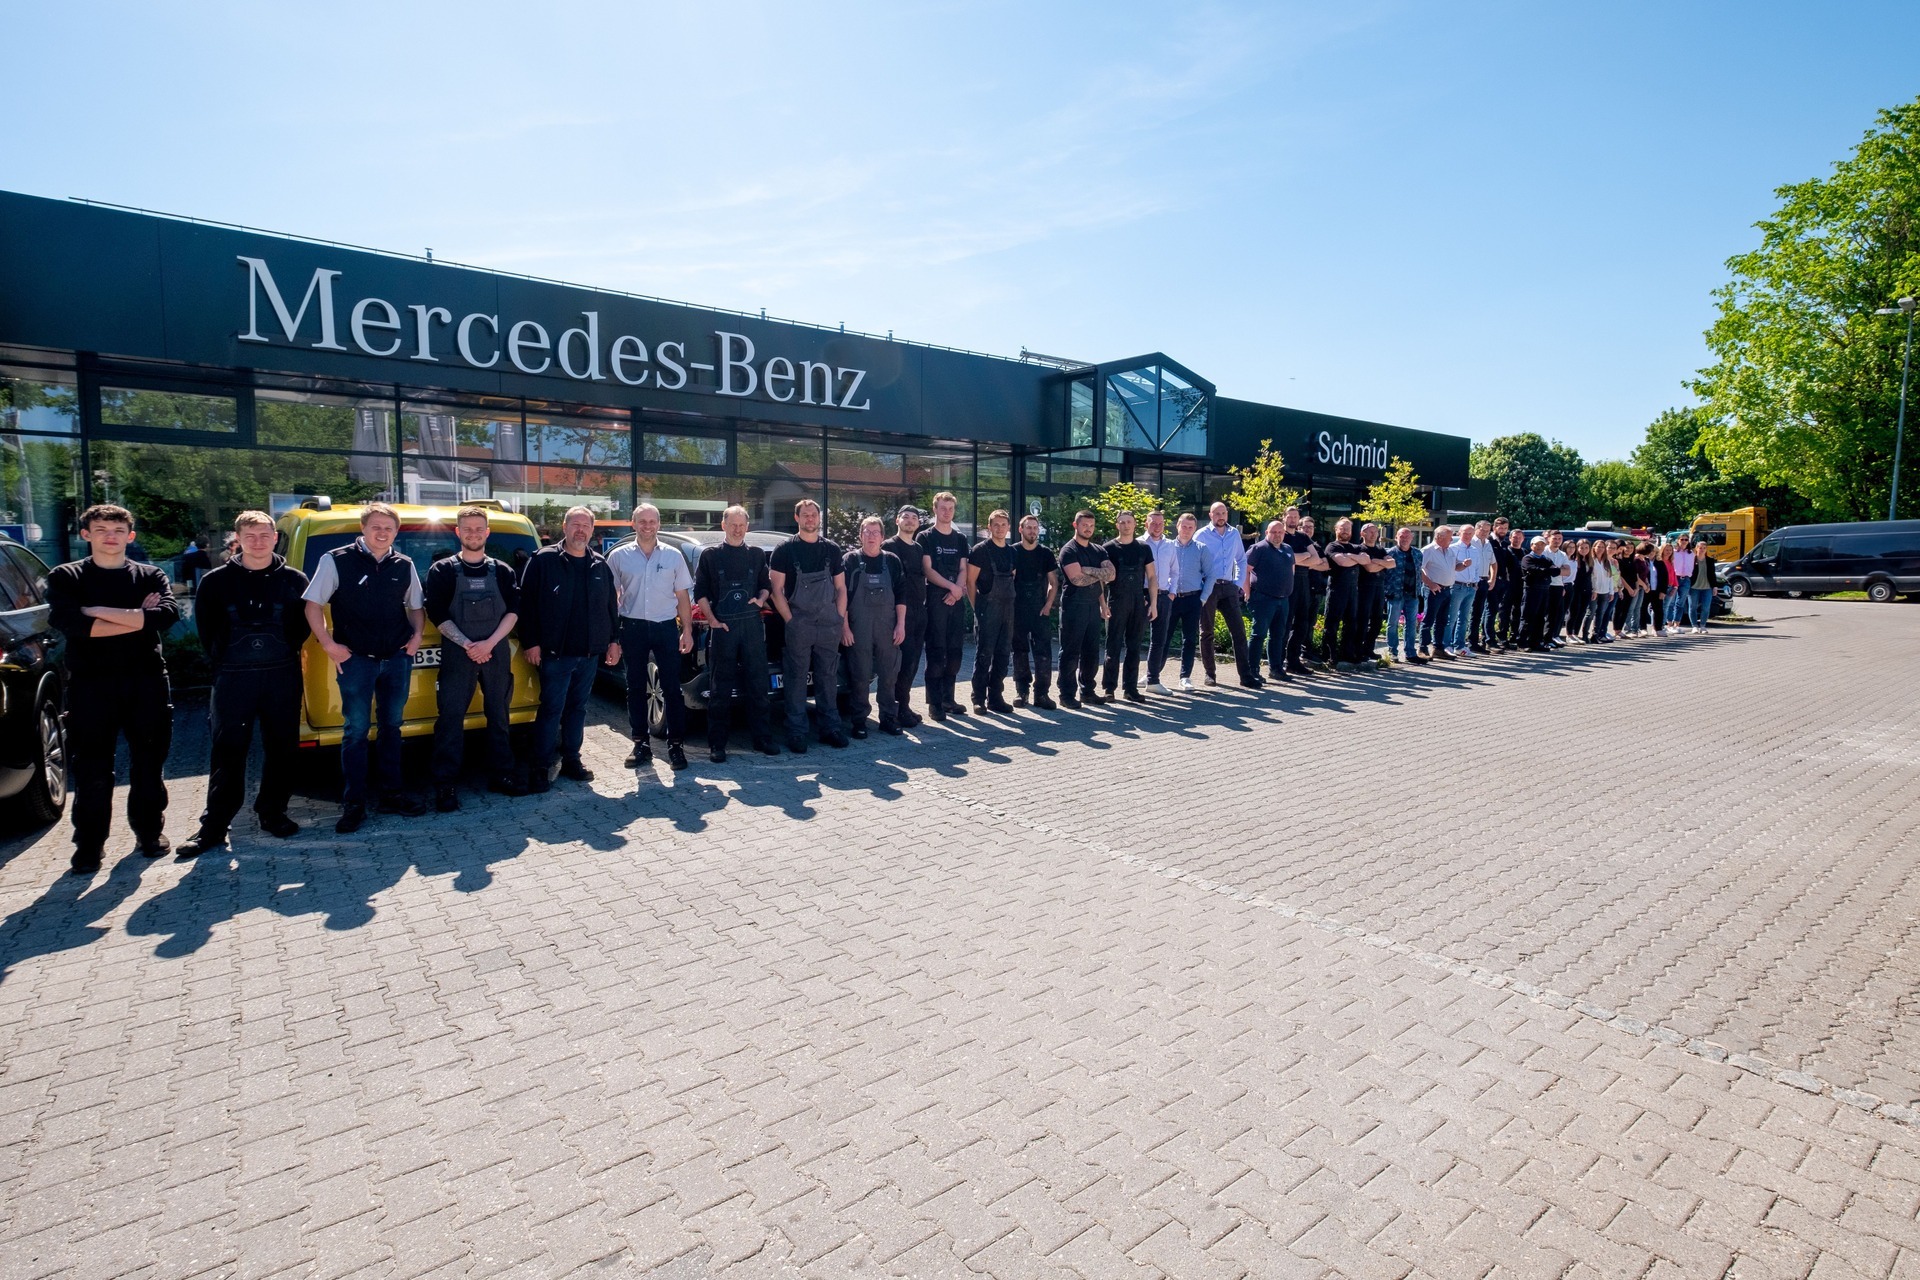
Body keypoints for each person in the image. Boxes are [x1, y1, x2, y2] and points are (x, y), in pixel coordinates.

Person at [47, 504, 181, 873]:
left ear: (130, 536)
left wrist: (94, 611)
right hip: (92, 686)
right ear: (85, 534)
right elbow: (70, 624)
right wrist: (137, 619)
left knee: (149, 764)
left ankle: (149, 833)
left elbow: (165, 616)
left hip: (146, 682)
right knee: (92, 768)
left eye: (119, 530)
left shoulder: (150, 576)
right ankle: (89, 846)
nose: (111, 536)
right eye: (102, 528)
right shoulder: (66, 577)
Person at [179, 511, 312, 857]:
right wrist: (227, 660)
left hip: (281, 673)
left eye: (264, 535)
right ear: (237, 538)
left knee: (282, 748)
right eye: (250, 535)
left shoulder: (296, 580)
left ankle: (272, 813)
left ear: (274, 537)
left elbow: (303, 627)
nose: (258, 541)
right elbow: (206, 631)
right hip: (233, 678)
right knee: (228, 751)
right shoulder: (215, 582)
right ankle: (214, 826)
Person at [303, 501, 427, 831]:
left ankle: (391, 795)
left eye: (388, 528)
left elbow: (416, 605)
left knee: (392, 728)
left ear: (396, 532)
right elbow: (312, 605)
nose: (382, 532)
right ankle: (354, 804)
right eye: (376, 526)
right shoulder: (336, 560)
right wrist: (329, 645)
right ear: (364, 528)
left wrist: (416, 637)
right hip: (356, 660)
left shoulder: (404, 564)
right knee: (355, 732)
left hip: (396, 659)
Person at [424, 505, 525, 813]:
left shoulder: (503, 571)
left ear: (487, 533)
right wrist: (469, 644)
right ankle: (445, 784)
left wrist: (490, 644)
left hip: (495, 652)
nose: (473, 534)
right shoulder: (442, 571)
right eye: (467, 529)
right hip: (459, 654)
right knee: (450, 720)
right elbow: (437, 614)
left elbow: (513, 611)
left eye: (479, 529)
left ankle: (501, 775)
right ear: (458, 532)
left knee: (499, 715)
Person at [517, 505, 620, 790]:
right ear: (564, 527)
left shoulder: (600, 564)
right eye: (575, 524)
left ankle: (572, 759)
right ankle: (541, 765)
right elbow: (526, 605)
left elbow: (610, 607)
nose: (580, 530)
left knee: (578, 709)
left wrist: (613, 641)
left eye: (586, 525)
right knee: (551, 709)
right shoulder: (543, 560)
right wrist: (531, 642)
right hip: (554, 653)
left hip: (588, 654)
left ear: (592, 529)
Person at [607, 503, 695, 772]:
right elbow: (611, 598)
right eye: (642, 521)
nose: (647, 526)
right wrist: (613, 637)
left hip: (665, 627)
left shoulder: (673, 556)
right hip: (631, 628)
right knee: (634, 688)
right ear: (633, 523)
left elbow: (682, 596)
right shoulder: (619, 557)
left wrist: (687, 631)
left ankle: (676, 746)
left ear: (659, 524)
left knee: (672, 689)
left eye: (652, 521)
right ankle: (640, 744)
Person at [695, 505, 779, 762]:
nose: (738, 529)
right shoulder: (710, 556)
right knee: (720, 688)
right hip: (724, 629)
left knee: (758, 685)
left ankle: (762, 738)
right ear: (723, 526)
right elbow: (701, 594)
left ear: (747, 527)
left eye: (742, 525)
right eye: (733, 524)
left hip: (752, 627)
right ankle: (717, 744)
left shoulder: (755, 555)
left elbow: (766, 587)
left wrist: (761, 598)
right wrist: (712, 621)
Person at [769, 499, 848, 750]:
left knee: (827, 676)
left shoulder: (832, 549)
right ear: (797, 518)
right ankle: (796, 731)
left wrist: (838, 617)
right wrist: (790, 621)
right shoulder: (784, 550)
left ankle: (830, 728)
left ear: (819, 518)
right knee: (795, 678)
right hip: (799, 624)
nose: (810, 519)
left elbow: (841, 588)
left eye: (814, 515)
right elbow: (776, 591)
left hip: (828, 624)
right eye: (805, 515)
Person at [843, 516, 907, 737]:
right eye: (867, 532)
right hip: (858, 626)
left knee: (889, 674)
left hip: (887, 627)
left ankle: (888, 718)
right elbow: (840, 597)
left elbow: (901, 595)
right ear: (860, 535)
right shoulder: (849, 560)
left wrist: (901, 625)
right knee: (860, 675)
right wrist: (845, 628)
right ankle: (859, 720)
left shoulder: (892, 561)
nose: (871, 536)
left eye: (875, 532)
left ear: (882, 536)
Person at [916, 492, 971, 721]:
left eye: (950, 508)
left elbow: (963, 569)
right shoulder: (926, 537)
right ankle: (935, 703)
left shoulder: (960, 539)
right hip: (936, 599)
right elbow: (927, 570)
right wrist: (953, 588)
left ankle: (949, 699)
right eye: (942, 508)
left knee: (955, 654)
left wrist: (957, 590)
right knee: (937, 653)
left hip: (955, 601)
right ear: (935, 509)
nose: (946, 512)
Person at [1195, 501, 1261, 688]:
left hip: (1229, 588)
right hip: (1209, 588)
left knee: (1239, 632)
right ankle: (1210, 674)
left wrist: (1238, 583)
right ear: (1210, 515)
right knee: (1206, 632)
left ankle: (1245, 676)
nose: (1220, 517)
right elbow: (1195, 561)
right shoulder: (1202, 535)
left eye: (1223, 513)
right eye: (1217, 513)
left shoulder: (1233, 534)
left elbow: (1241, 559)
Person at [1055, 509, 1112, 708]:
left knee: (1092, 653)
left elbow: (1111, 575)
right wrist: (1099, 574)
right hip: (1074, 607)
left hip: (1093, 607)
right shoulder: (1069, 550)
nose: (1088, 529)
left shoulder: (1098, 550)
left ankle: (1087, 691)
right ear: (1076, 525)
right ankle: (1066, 694)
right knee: (1071, 652)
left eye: (1091, 526)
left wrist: (1103, 604)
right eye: (1084, 525)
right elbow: (1077, 579)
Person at [1101, 511, 1158, 703]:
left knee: (1134, 647)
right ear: (1117, 525)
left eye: (1129, 522)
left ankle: (1131, 689)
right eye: (1122, 522)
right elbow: (1101, 580)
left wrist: (1154, 604)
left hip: (1137, 603)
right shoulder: (1108, 548)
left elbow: (1151, 577)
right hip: (1116, 602)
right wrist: (1102, 604)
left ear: (1135, 525)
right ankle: (1109, 689)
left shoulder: (1144, 548)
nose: (1125, 525)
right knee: (1113, 646)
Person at [966, 509, 1017, 713]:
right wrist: (976, 607)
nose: (999, 528)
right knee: (984, 655)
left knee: (1004, 654)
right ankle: (978, 698)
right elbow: (970, 581)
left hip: (1008, 609)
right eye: (995, 524)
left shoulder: (1012, 551)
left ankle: (996, 697)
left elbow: (1013, 577)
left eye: (1003, 525)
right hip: (987, 609)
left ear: (1008, 528)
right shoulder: (980, 550)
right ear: (989, 527)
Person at [882, 506, 928, 728]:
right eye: (905, 517)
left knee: (912, 663)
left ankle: (904, 705)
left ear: (918, 524)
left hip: (919, 612)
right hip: (899, 614)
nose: (910, 521)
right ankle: (895, 710)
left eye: (914, 518)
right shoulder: (889, 547)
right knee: (899, 665)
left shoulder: (919, 548)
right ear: (897, 521)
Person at [1010, 514, 1058, 709]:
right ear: (1021, 530)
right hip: (1018, 610)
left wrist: (1048, 605)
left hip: (1040, 610)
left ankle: (1042, 694)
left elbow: (1054, 583)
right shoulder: (1012, 551)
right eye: (1028, 528)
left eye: (1035, 528)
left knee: (1044, 653)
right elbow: (1009, 581)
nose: (1032, 531)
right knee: (1019, 652)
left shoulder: (1045, 553)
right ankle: (1022, 693)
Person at [1244, 520, 1294, 681]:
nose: (1277, 535)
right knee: (1258, 635)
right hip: (1262, 599)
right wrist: (1247, 592)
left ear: (1284, 533)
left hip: (1283, 599)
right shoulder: (1258, 548)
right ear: (1267, 533)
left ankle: (1276, 669)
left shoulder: (1288, 549)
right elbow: (1245, 570)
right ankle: (1252, 670)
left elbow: (1291, 569)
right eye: (1273, 532)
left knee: (1278, 636)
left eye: (1280, 532)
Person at [1167, 513, 1211, 690]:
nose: (1186, 530)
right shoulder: (1168, 547)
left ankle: (1185, 677)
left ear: (1195, 529)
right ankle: (1152, 674)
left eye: (1190, 527)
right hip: (1171, 598)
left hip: (1193, 598)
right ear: (1177, 526)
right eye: (1183, 526)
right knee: (1162, 637)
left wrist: (1202, 599)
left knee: (1189, 639)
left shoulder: (1202, 549)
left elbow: (1211, 575)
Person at [1282, 510, 1325, 676]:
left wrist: (1297, 557)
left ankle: (1293, 661)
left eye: (1295, 516)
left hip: (1303, 583)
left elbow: (1317, 559)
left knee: (1303, 624)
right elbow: (1284, 557)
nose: (1292, 519)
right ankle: (1278, 662)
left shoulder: (1303, 537)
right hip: (1287, 582)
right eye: (1289, 516)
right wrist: (1305, 555)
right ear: (1284, 517)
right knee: (1284, 624)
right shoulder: (1281, 535)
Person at [1320, 518, 1364, 672]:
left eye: (1348, 529)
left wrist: (1349, 556)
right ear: (1336, 530)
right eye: (1342, 528)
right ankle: (1329, 655)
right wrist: (1354, 558)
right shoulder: (1332, 546)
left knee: (1351, 623)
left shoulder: (1355, 546)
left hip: (1353, 590)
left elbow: (1365, 560)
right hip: (1336, 590)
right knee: (1332, 623)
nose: (1345, 531)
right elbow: (1342, 562)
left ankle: (1347, 653)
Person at [1142, 510, 1179, 688]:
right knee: (1134, 638)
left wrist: (1171, 593)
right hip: (1142, 596)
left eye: (1160, 523)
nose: (1157, 526)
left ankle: (1152, 679)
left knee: (1159, 640)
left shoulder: (1170, 545)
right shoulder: (1139, 543)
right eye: (1153, 523)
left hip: (1164, 596)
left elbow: (1175, 571)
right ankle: (1130, 681)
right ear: (1146, 524)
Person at [1382, 526, 1425, 664]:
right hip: (1395, 594)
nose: (1404, 539)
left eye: (1407, 536)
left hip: (1412, 595)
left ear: (1412, 538)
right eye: (1401, 536)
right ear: (1396, 538)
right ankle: (1392, 652)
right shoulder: (1389, 554)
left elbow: (1420, 572)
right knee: (1392, 623)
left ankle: (1410, 653)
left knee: (1411, 624)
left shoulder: (1418, 554)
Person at [1355, 522, 1395, 665]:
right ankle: (1358, 650)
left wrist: (1377, 561)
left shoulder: (1380, 550)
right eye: (1370, 532)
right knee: (1362, 620)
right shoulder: (1360, 549)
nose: (1373, 534)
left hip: (1379, 588)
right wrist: (1382, 563)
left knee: (1377, 621)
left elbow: (1392, 564)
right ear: (1362, 534)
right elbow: (1370, 568)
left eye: (1375, 532)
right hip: (1364, 588)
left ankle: (1369, 649)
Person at [1418, 524, 1459, 659]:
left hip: (1447, 589)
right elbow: (1419, 569)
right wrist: (1430, 584)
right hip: (1433, 590)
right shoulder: (1428, 550)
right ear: (1439, 537)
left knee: (1442, 620)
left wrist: (1464, 565)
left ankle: (1438, 648)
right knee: (1429, 619)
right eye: (1449, 537)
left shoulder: (1449, 550)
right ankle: (1423, 648)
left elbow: (1455, 567)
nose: (1451, 540)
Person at [1447, 523, 1482, 656]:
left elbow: (1477, 567)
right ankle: (1447, 645)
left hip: (1470, 587)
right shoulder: (1452, 548)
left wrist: (1476, 581)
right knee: (1452, 617)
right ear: (1459, 533)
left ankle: (1460, 646)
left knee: (1464, 618)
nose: (1467, 536)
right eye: (1465, 533)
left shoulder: (1474, 549)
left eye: (1470, 533)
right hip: (1457, 586)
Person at [1519, 536, 1558, 652]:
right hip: (1531, 590)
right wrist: (1545, 571)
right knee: (1527, 616)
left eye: (1542, 544)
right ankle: (1522, 643)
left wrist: (1543, 571)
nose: (1540, 547)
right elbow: (1533, 570)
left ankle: (1536, 642)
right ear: (1532, 546)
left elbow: (1556, 571)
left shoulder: (1546, 559)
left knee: (1540, 617)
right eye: (1537, 544)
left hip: (1545, 590)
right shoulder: (1527, 558)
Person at [1299, 515, 1329, 663]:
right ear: (1299, 528)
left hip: (1316, 591)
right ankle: (1296, 651)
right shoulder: (1298, 544)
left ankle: (1307, 651)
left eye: (1310, 527)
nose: (1308, 530)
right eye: (1305, 527)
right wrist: (1314, 562)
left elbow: (1325, 565)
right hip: (1301, 590)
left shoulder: (1316, 546)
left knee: (1310, 622)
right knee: (1299, 622)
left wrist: (1309, 563)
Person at [1489, 528, 1523, 650]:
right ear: (1510, 538)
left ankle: (1515, 637)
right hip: (1507, 585)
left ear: (1523, 539)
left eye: (1519, 537)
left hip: (1520, 586)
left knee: (1517, 612)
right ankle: (1502, 638)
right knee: (1504, 613)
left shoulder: (1524, 552)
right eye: (1514, 537)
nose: (1517, 539)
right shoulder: (1506, 551)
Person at [1545, 531, 1573, 647]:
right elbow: (1544, 570)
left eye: (1559, 539)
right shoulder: (1544, 552)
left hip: (1558, 586)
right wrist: (1558, 570)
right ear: (1549, 538)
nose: (1557, 541)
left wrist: (1553, 570)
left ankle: (1549, 638)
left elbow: (1567, 571)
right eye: (1554, 538)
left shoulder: (1562, 554)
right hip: (1545, 586)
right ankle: (1540, 639)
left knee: (1554, 615)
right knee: (1543, 613)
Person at [1586, 541, 1616, 641]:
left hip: (1605, 591)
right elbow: (1592, 577)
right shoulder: (1591, 560)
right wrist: (1594, 590)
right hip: (1595, 591)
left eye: (1603, 547)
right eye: (1598, 547)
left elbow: (1610, 577)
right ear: (1593, 548)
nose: (1600, 549)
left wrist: (1611, 591)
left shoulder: (1606, 561)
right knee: (1591, 613)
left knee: (1601, 614)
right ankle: (1585, 635)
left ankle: (1596, 635)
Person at [1688, 538, 1716, 633]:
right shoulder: (1692, 559)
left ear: (1706, 549)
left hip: (1707, 587)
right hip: (1694, 587)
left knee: (1706, 607)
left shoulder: (1710, 560)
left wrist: (1714, 586)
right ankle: (1694, 626)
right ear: (1696, 548)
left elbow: (1712, 574)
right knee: (1693, 607)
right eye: (1700, 548)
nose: (1702, 549)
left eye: (1704, 548)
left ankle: (1703, 625)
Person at [1669, 535, 1696, 631]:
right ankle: (1669, 624)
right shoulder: (1674, 552)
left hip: (1686, 579)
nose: (1684, 541)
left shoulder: (1691, 553)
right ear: (1678, 541)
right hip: (1675, 578)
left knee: (1680, 603)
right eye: (1682, 539)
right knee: (1671, 601)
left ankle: (1677, 624)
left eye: (1686, 540)